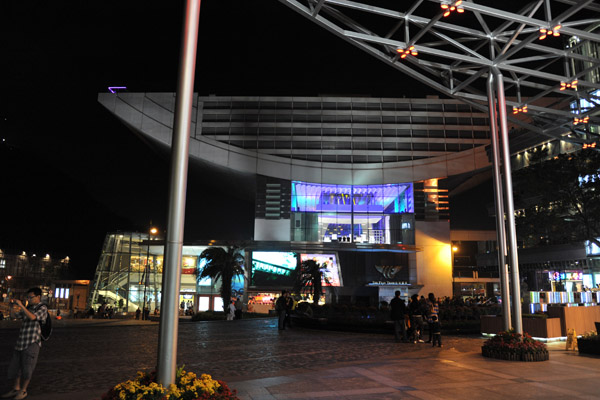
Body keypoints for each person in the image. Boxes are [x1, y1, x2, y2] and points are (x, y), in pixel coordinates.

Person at [1, 287, 48, 400]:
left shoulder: (42, 308)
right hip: (21, 341)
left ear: (38, 297)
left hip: (32, 342)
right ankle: (16, 388)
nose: (29, 299)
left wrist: (21, 305)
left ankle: (23, 390)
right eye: (28, 297)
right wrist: (12, 306)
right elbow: (14, 316)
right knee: (16, 366)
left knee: (28, 367)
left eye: (31, 297)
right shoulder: (29, 308)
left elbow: (33, 317)